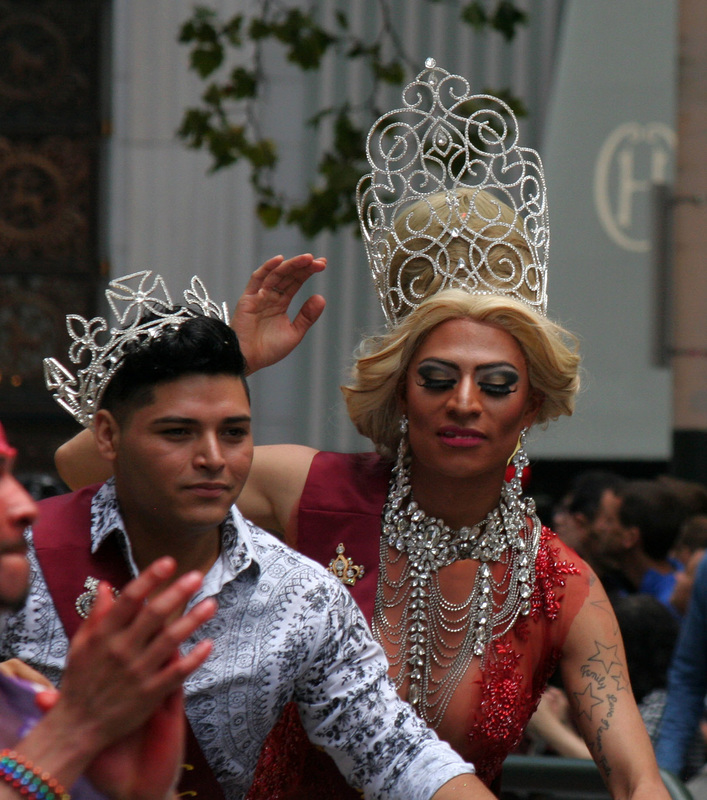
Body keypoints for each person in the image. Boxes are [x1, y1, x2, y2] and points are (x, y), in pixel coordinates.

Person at [53, 62, 669, 799]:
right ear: (400, 393)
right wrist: (221, 360)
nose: (465, 402)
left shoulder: (561, 587)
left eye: (496, 384)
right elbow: (85, 469)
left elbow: (637, 779)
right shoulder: (310, 490)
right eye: (437, 379)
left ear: (530, 405)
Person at [2, 274, 489, 800]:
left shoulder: (301, 596)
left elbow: (396, 752)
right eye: (178, 433)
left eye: (234, 433)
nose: (214, 458)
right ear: (107, 437)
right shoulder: (20, 558)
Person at [0, 419, 217, 800]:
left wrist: (135, 794)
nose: (23, 506)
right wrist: (72, 733)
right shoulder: (49, 723)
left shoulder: (19, 701)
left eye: (9, 475)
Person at [593, 479, 687, 614]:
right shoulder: (640, 587)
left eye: (608, 521)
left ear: (630, 537)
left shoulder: (668, 607)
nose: (598, 527)